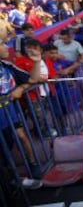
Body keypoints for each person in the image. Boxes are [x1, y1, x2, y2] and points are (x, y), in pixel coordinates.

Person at [0, 42, 43, 180]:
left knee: (22, 138)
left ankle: (32, 164)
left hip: (10, 113)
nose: (7, 47)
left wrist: (36, 62)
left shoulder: (7, 66)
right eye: (1, 44)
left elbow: (32, 79)